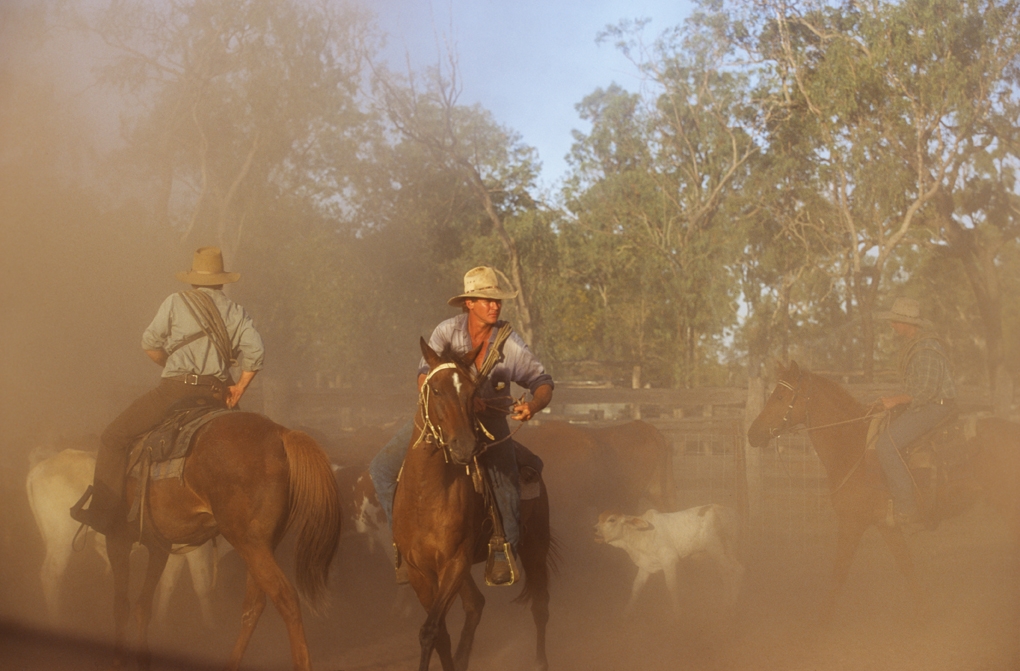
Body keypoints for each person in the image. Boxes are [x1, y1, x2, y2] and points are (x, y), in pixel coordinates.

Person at [370, 266, 553, 585]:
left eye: (497, 301)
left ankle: (503, 549)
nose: (494, 306)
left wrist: (533, 405)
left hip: (490, 421)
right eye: (486, 300)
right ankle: (403, 543)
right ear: (469, 303)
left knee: (504, 477)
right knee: (382, 468)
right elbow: (423, 376)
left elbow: (543, 382)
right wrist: (446, 403)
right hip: (440, 417)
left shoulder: (509, 345)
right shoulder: (445, 332)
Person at [71, 247, 265, 536]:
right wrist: (238, 388)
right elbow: (256, 353)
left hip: (175, 390)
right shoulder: (236, 311)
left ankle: (103, 514)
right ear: (223, 281)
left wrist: (170, 365)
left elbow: (149, 343)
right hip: (216, 394)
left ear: (192, 279)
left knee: (113, 437)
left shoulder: (176, 302)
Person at [873, 297, 957, 527]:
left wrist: (894, 400)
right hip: (927, 403)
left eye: (895, 321)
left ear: (908, 324)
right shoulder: (917, 345)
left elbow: (925, 391)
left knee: (886, 445)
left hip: (935, 406)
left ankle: (907, 509)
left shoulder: (926, 349)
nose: (892, 325)